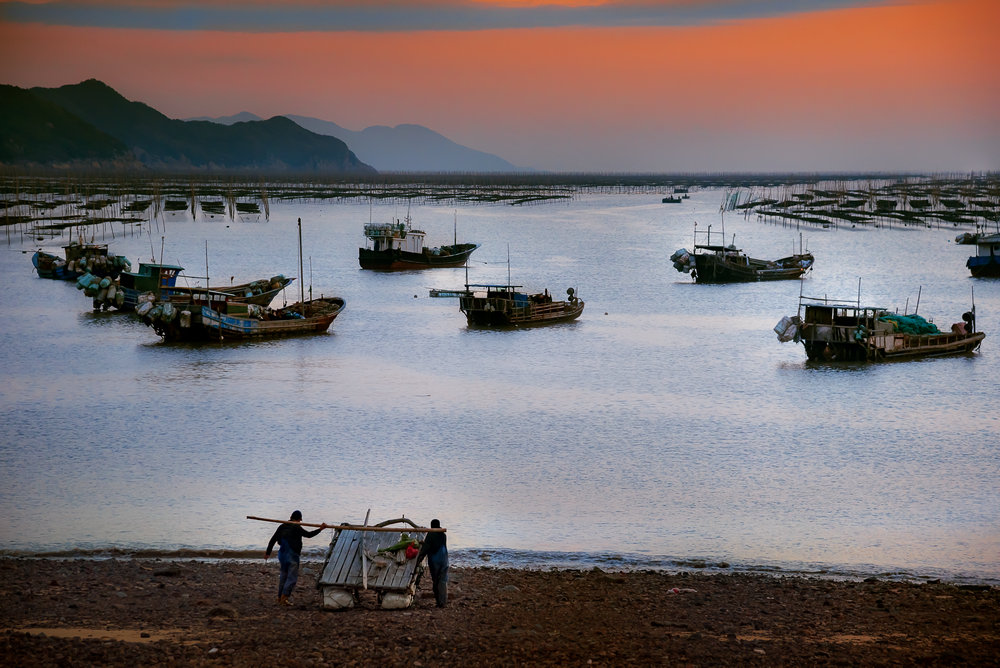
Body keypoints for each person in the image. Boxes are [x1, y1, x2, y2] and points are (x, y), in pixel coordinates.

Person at [264, 510, 327, 606]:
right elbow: (308, 535)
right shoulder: (296, 527)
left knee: (283, 576)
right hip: (292, 555)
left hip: (282, 554)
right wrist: (320, 529)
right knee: (292, 578)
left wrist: (268, 553)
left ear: (291, 517)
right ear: (299, 519)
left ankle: (279, 597)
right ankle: (284, 598)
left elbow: (272, 540)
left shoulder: (282, 526)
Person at [417, 519, 448, 607]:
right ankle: (443, 602)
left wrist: (419, 558)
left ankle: (439, 602)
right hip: (444, 558)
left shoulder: (430, 534)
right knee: (443, 580)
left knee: (436, 580)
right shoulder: (443, 535)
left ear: (431, 526)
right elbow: (435, 543)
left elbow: (426, 548)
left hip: (435, 559)